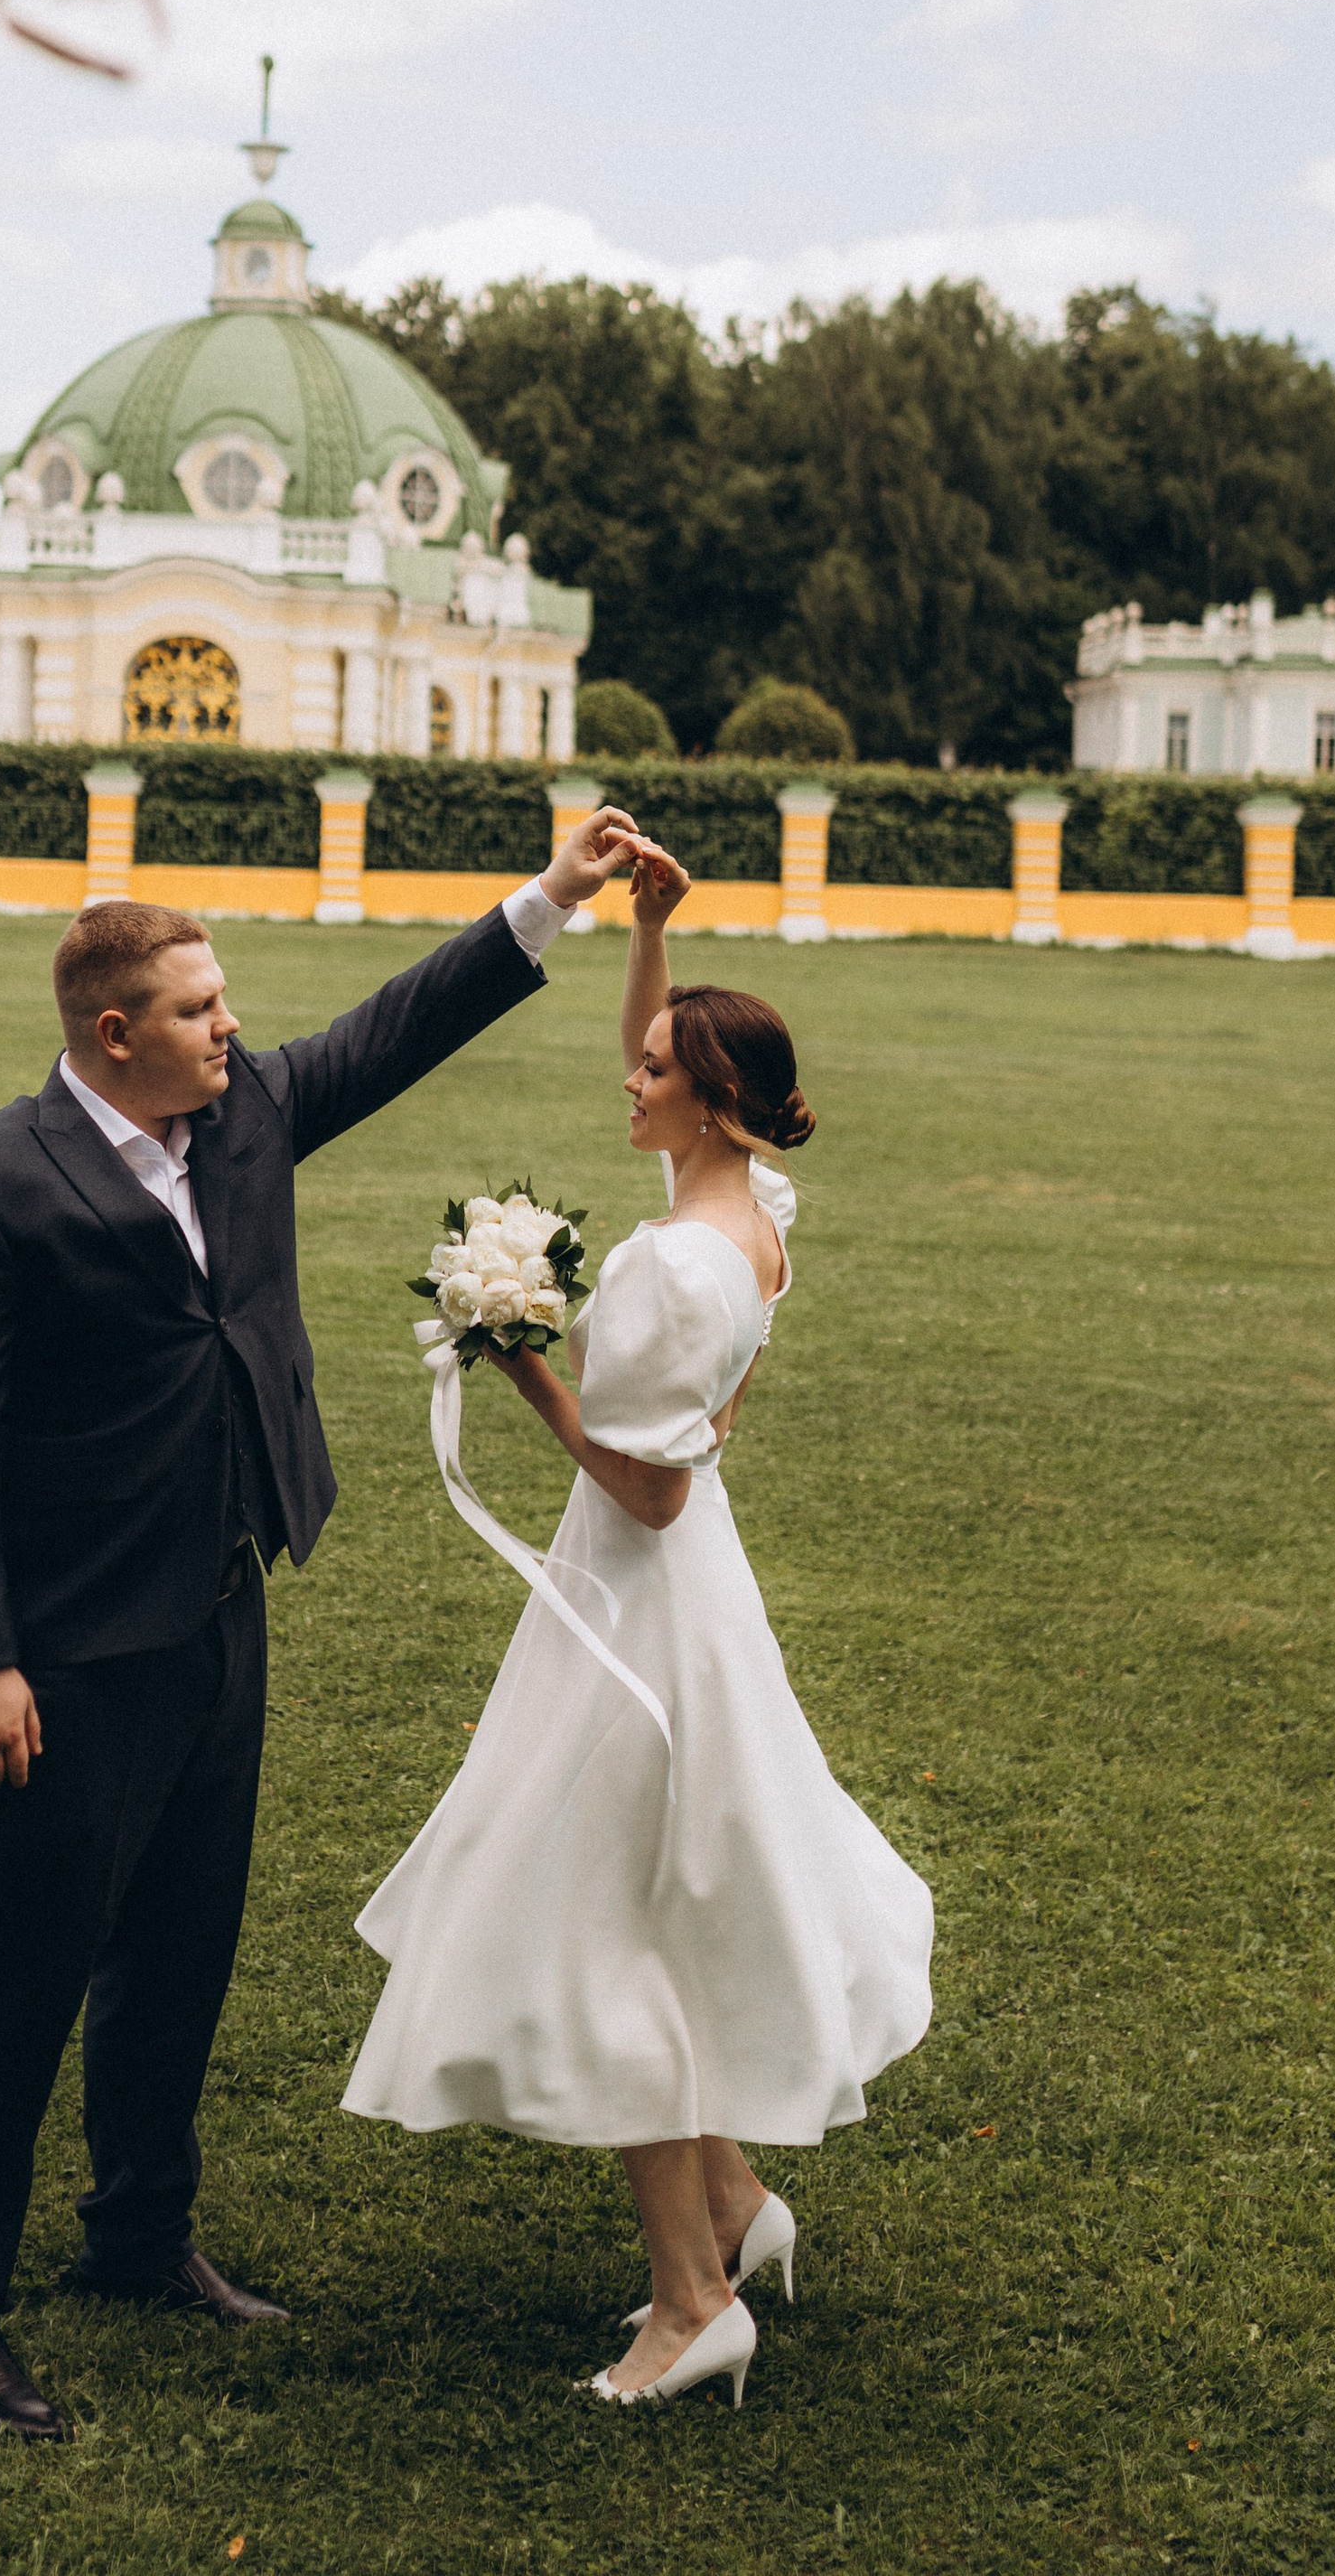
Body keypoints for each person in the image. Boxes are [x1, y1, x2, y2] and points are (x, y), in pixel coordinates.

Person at [0, 809, 646, 2440]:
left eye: (227, 1003)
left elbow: (400, 1023)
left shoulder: (245, 1116)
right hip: (70, 1651)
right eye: (200, 1008)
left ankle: (141, 2238)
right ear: (114, 1034)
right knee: (25, 1974)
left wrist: (553, 900)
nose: (234, 1026)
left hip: (222, 1604)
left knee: (181, 1952)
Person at [342, 840, 934, 2406]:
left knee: (610, 1932)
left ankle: (693, 2303)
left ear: (708, 1104)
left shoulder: (676, 1267)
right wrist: (654, 932)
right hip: (674, 1597)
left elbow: (653, 1491)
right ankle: (736, 2209)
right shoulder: (751, 1213)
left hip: (642, 1603)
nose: (633, 1076)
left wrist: (511, 1347)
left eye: (657, 1070)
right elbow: (653, 1064)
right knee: (640, 1909)